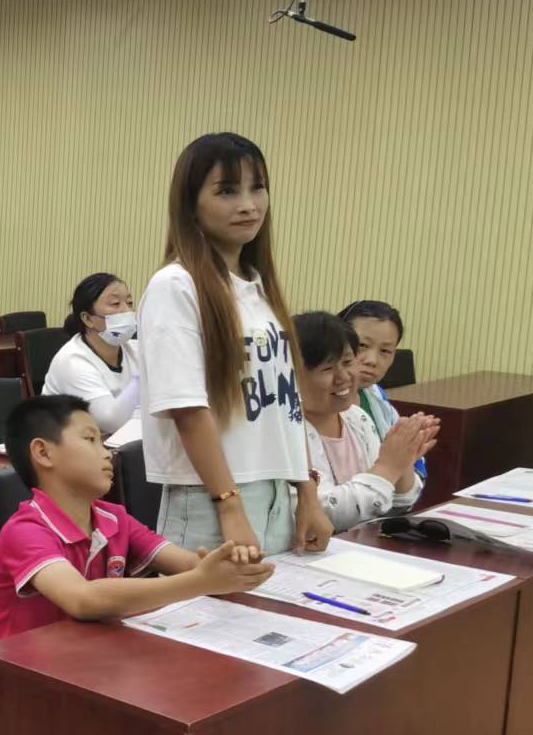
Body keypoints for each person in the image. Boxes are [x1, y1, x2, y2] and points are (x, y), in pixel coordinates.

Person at [132, 133, 334, 555]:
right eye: (227, 191)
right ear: (190, 204)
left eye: (257, 188)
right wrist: (229, 505)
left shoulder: (259, 288)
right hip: (213, 498)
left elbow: (286, 406)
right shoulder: (176, 285)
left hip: (277, 492)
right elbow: (187, 409)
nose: (249, 205)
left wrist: (307, 492)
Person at [0, 395, 273, 644]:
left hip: (86, 657)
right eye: (90, 440)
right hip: (16, 678)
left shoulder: (113, 518)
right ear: (43, 452)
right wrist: (199, 582)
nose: (106, 454)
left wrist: (229, 569)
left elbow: (188, 565)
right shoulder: (26, 531)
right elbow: (83, 599)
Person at [295, 312, 436, 531]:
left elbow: (399, 504)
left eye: (348, 362)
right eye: (327, 368)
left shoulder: (357, 417)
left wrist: (403, 462)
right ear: (291, 375)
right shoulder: (289, 431)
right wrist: (387, 467)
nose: (344, 376)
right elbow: (323, 514)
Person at [338, 299, 427, 484]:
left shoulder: (376, 396)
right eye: (362, 345)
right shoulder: (313, 401)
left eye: (385, 351)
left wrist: (411, 445)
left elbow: (415, 468)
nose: (372, 360)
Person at [44, 272, 140, 433]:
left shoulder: (135, 349)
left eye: (129, 303)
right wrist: (142, 380)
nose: (127, 311)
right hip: (65, 442)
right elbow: (110, 421)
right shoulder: (72, 361)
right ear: (88, 319)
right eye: (115, 304)